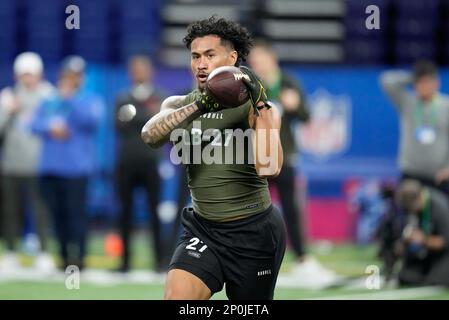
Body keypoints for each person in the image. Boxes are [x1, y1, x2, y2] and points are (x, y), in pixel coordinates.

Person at [141, 16, 286, 300]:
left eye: (210, 55)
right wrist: (201, 104)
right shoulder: (177, 104)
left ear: (232, 58)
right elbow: (150, 136)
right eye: (195, 56)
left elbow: (269, 168)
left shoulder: (258, 108)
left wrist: (260, 103)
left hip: (253, 231)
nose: (201, 64)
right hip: (203, 228)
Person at [248, 41, 339, 287]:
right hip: (259, 158)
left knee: (292, 210)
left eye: (259, 59)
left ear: (271, 58)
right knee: (256, 210)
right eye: (253, 61)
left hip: (285, 156)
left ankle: (302, 259)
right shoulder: (251, 85)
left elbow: (307, 116)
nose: (256, 64)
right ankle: (253, 259)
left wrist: (295, 105)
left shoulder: (288, 82)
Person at [31, 56, 103, 270]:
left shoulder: (89, 100)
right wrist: (49, 127)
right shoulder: (49, 100)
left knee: (76, 215)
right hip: (50, 167)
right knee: (57, 215)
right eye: (69, 75)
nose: (72, 79)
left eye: (76, 76)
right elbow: (33, 124)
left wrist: (69, 98)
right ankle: (62, 258)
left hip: (76, 168)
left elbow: (91, 121)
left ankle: (80, 258)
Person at [0, 52, 55, 272]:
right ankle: (11, 252)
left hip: (39, 164)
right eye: (23, 74)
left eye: (30, 74)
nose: (27, 79)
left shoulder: (49, 96)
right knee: (11, 211)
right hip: (12, 164)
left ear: (39, 74)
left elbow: (54, 127)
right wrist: (7, 111)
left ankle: (43, 252)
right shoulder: (8, 95)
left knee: (41, 211)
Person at [114, 55, 166, 272]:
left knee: (155, 211)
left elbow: (162, 126)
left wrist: (138, 117)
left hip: (151, 161)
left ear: (150, 71)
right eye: (135, 69)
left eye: (142, 68)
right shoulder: (122, 97)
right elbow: (118, 125)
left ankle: (159, 260)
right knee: (125, 211)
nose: (139, 73)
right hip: (127, 161)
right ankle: (125, 261)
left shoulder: (160, 97)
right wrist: (146, 116)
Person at [380, 61, 449, 197]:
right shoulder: (408, 102)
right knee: (406, 214)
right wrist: (412, 77)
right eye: (421, 83)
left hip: (439, 175)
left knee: (441, 214)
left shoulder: (446, 106)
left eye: (428, 82)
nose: (424, 86)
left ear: (437, 83)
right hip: (411, 174)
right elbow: (386, 81)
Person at [395, 179, 449, 287]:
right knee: (406, 277)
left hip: (444, 254)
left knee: (438, 282)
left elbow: (446, 242)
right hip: (427, 253)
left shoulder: (440, 207)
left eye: (412, 208)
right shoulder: (413, 208)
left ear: (420, 197)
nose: (412, 211)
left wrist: (423, 239)